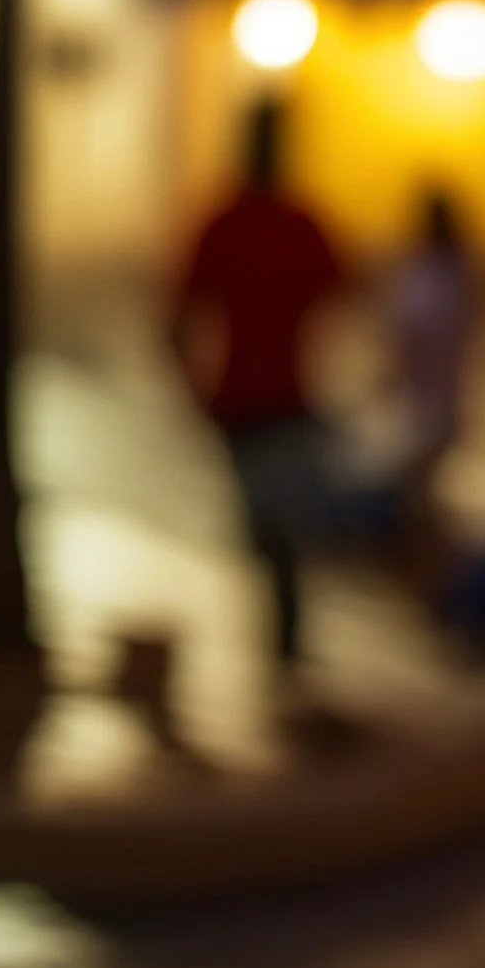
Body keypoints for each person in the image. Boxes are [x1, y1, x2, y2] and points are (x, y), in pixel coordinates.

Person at [171, 100, 343, 668]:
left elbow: (178, 316)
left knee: (277, 528)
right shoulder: (281, 222)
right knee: (277, 528)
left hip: (265, 401)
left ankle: (283, 646)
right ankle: (283, 646)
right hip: (263, 401)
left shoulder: (240, 222)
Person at [382, 187, 474, 588]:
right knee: (421, 492)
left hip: (426, 401)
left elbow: (409, 337)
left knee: (417, 495)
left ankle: (436, 573)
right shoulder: (457, 274)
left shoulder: (429, 277)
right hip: (441, 397)